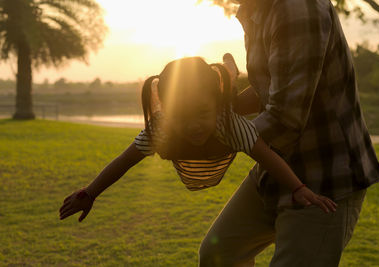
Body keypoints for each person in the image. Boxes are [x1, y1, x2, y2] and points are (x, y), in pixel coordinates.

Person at [198, 0, 379, 266]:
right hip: (277, 168)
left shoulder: (297, 8)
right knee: (219, 255)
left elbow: (285, 117)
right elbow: (271, 86)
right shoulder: (256, 9)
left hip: (327, 176)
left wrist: (208, 142)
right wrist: (214, 114)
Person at [59, 57, 337, 231]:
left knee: (229, 85)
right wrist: (90, 193)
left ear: (214, 109)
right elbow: (123, 162)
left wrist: (298, 188)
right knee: (220, 91)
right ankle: (226, 72)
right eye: (181, 115)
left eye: (201, 114)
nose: (193, 125)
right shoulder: (162, 129)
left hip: (223, 114)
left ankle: (229, 68)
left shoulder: (228, 123)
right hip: (207, 123)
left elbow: (266, 156)